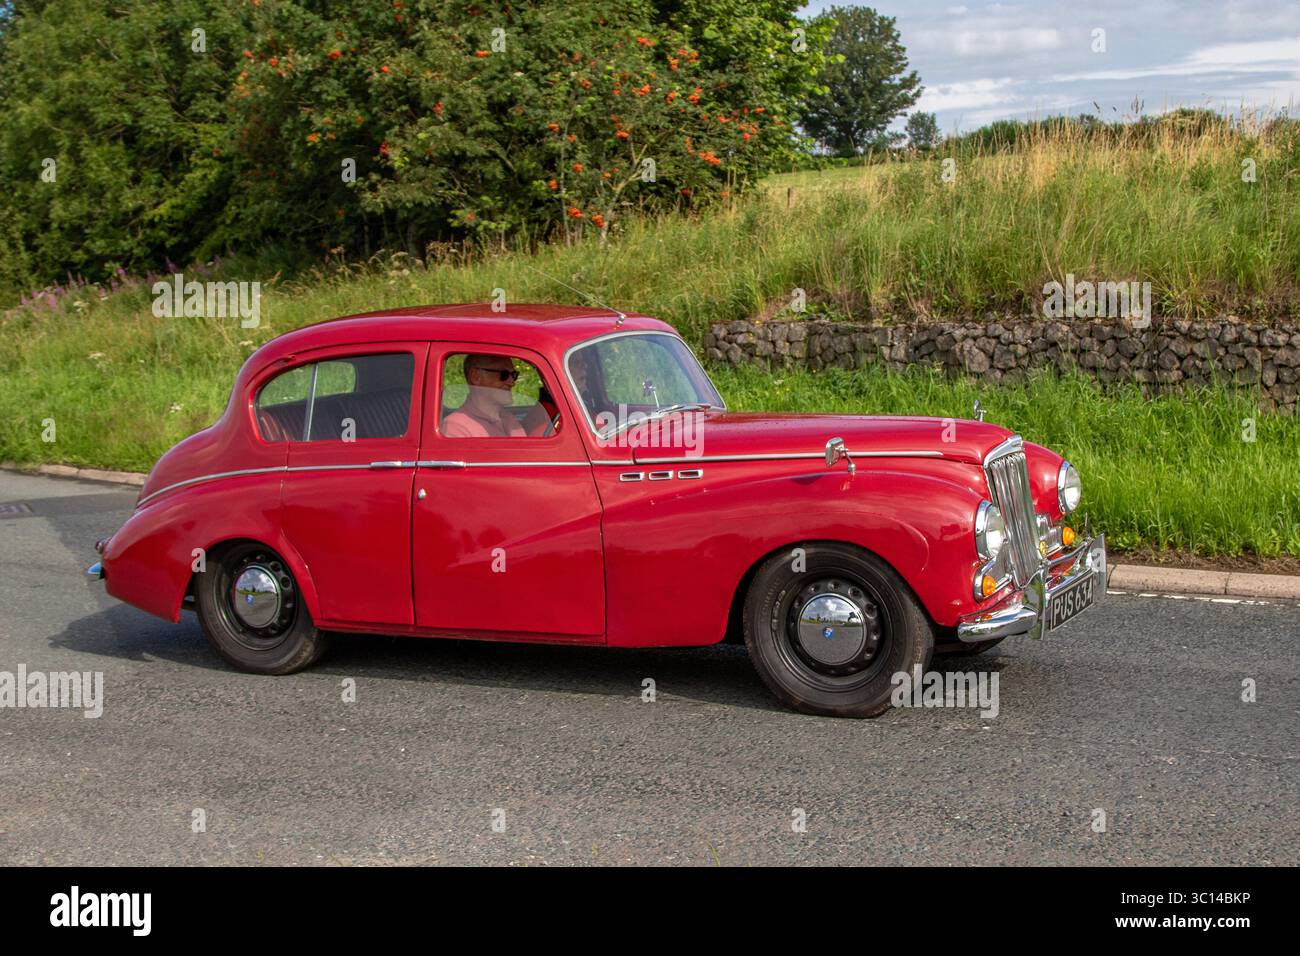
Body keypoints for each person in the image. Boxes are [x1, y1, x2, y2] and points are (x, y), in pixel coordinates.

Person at [442, 354, 528, 438]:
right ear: (475, 377)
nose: (512, 382)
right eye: (504, 374)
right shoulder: (456, 427)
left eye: (514, 375)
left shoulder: (508, 418)